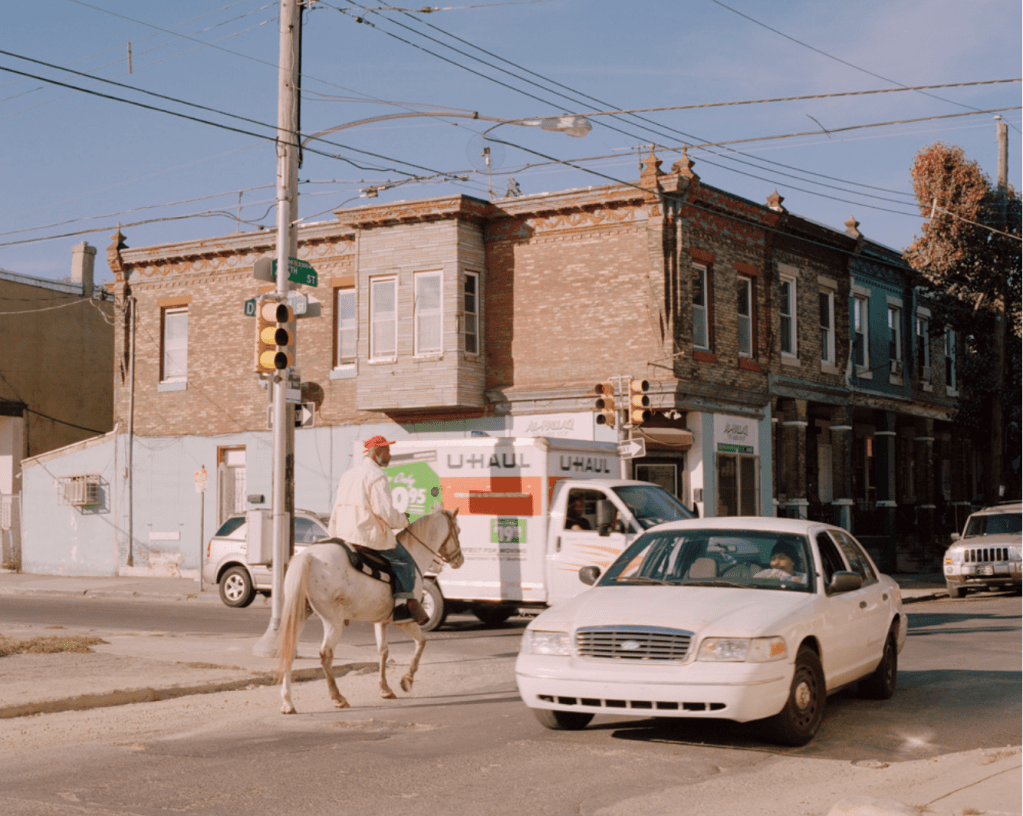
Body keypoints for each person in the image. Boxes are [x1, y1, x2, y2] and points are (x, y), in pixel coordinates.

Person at [328, 435, 429, 625]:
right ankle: (403, 607)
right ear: (376, 453)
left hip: (342, 533)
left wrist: (332, 533)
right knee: (404, 561)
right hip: (365, 534)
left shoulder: (348, 474)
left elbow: (337, 507)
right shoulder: (377, 476)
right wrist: (404, 521)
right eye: (387, 451)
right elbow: (385, 512)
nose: (390, 456)